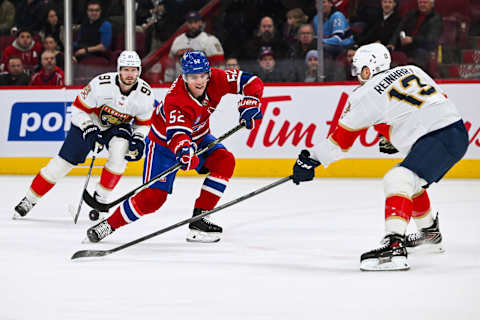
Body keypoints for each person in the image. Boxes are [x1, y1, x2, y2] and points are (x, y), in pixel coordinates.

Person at [291, 43, 468, 271]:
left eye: (359, 69)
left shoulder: (366, 94)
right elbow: (433, 101)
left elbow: (340, 143)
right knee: (410, 180)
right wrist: (396, 134)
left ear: (368, 69)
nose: (357, 75)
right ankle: (429, 234)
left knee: (398, 179)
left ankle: (394, 245)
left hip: (437, 136)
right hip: (456, 130)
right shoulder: (412, 69)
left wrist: (310, 158)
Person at [86, 51, 264, 244]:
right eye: (193, 77)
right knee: (152, 199)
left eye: (203, 75)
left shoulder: (217, 77)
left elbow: (251, 81)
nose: (199, 81)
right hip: (163, 146)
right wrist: (185, 152)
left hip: (199, 137)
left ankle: (200, 220)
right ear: (184, 76)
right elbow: (177, 136)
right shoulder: (176, 99)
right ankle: (109, 225)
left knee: (225, 161)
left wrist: (251, 101)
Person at [14, 51, 154, 221]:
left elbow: (143, 123)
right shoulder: (101, 84)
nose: (130, 74)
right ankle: (29, 199)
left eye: (134, 70)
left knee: (120, 154)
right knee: (61, 164)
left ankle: (100, 199)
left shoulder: (146, 94)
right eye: (126, 69)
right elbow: (77, 109)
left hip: (118, 127)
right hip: (89, 121)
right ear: (119, 70)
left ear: (139, 71)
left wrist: (139, 139)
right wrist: (89, 129)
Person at [387, 0, 443, 72]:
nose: (422, 5)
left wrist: (413, 39)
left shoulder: (436, 19)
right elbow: (399, 28)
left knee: (420, 53)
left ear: (432, 4)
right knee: (391, 52)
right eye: (420, 2)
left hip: (424, 48)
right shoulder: (412, 14)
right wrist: (392, 43)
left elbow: (432, 39)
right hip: (406, 46)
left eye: (425, 2)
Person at [169, 11, 225, 77]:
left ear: (200, 22)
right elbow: (170, 64)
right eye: (190, 22)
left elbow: (220, 65)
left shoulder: (210, 40)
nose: (193, 25)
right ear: (186, 23)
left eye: (195, 22)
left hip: (202, 82)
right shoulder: (178, 40)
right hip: (181, 81)